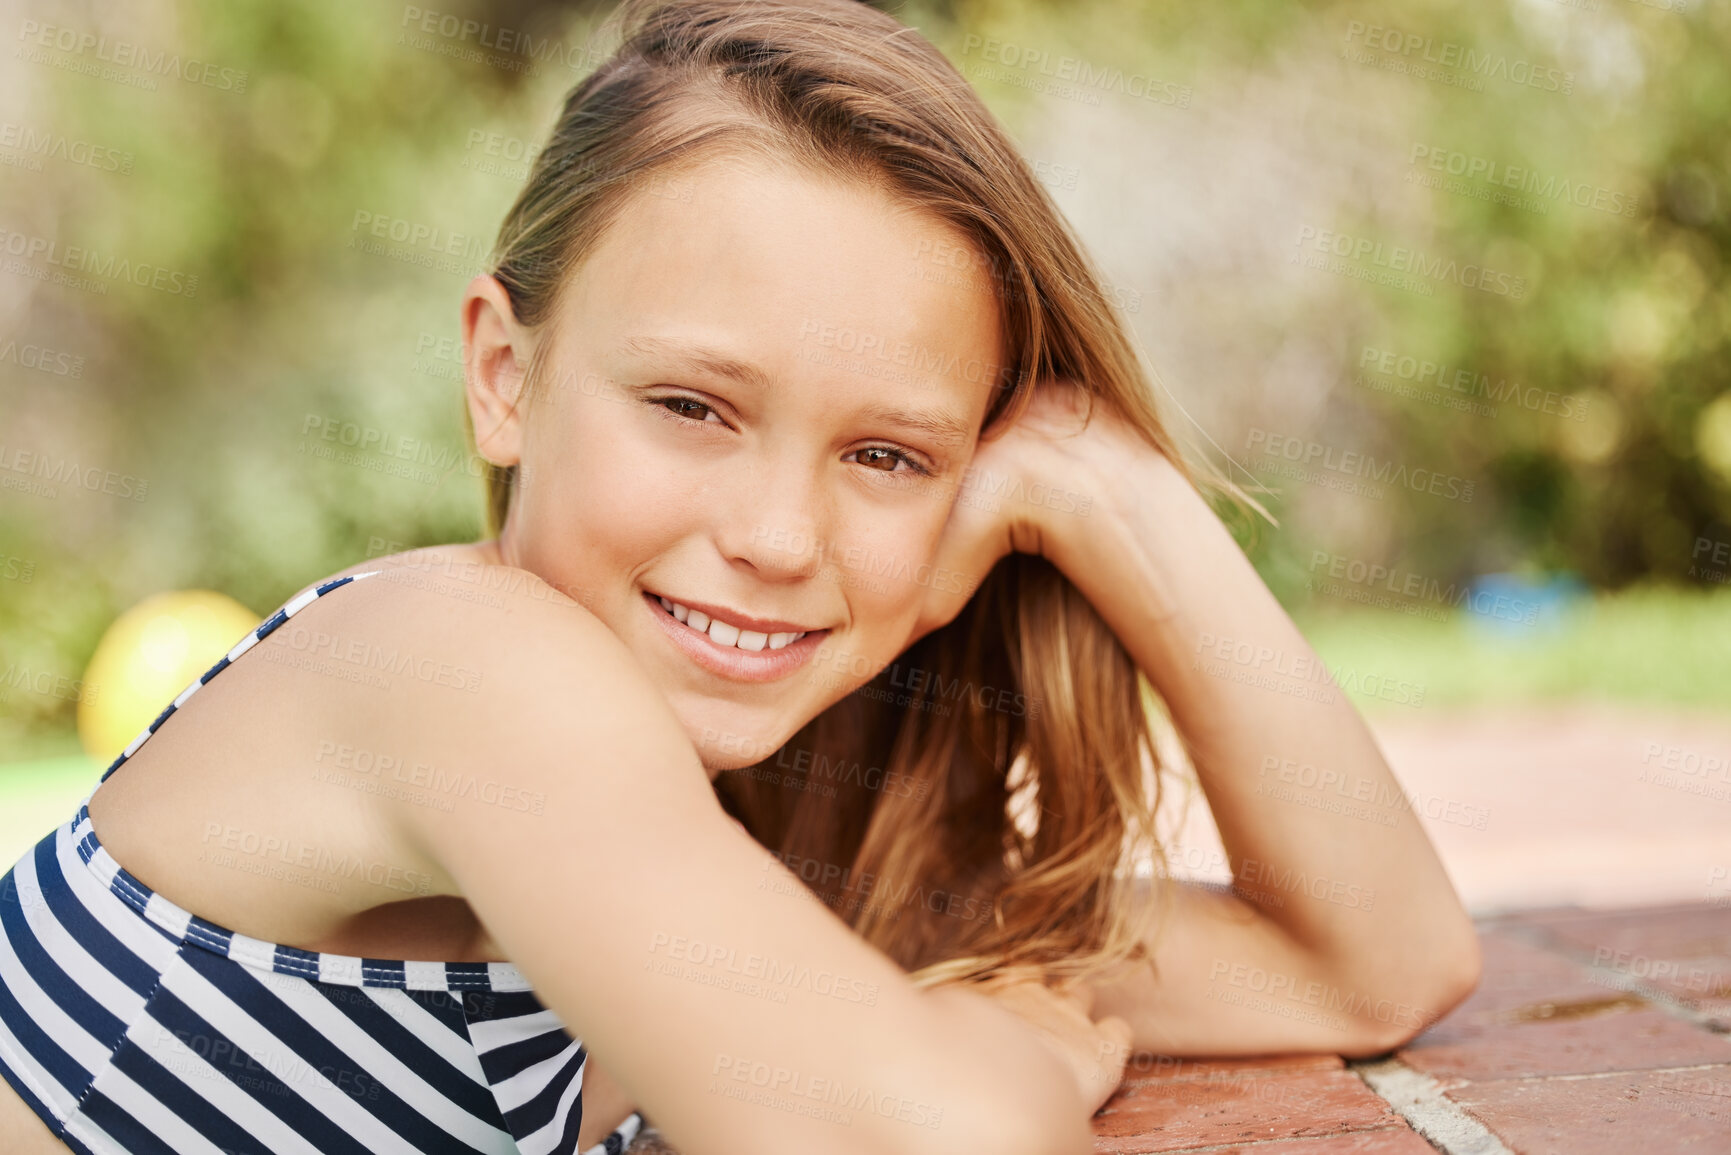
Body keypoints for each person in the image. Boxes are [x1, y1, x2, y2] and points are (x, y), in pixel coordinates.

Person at [0, 1, 1481, 1152]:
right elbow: (911, 1137)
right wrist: (1021, 1049)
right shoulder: (458, 660)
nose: (781, 536)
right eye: (695, 408)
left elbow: (1370, 964)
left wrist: (1111, 486)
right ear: (504, 376)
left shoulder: (761, 854)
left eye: (888, 455)